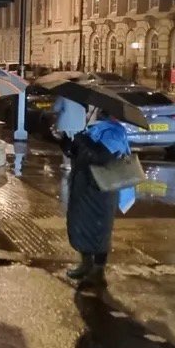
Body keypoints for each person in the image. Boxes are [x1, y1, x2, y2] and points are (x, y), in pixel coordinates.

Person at [62, 113, 133, 285]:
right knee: (80, 226)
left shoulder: (114, 133)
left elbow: (101, 157)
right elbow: (79, 155)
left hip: (100, 191)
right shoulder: (93, 130)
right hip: (83, 188)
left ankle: (98, 271)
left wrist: (83, 142)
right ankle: (85, 264)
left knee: (98, 231)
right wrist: (66, 142)